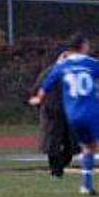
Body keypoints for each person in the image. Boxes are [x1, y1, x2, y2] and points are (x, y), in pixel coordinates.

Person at [29, 33, 99, 195]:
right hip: (92, 110)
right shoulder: (92, 63)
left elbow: (45, 85)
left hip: (73, 114)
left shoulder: (61, 66)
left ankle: (86, 185)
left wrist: (38, 98)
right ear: (84, 46)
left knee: (88, 147)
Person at [30, 48, 79, 178]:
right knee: (56, 146)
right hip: (54, 113)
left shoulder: (48, 73)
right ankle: (56, 171)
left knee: (65, 147)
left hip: (61, 114)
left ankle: (56, 169)